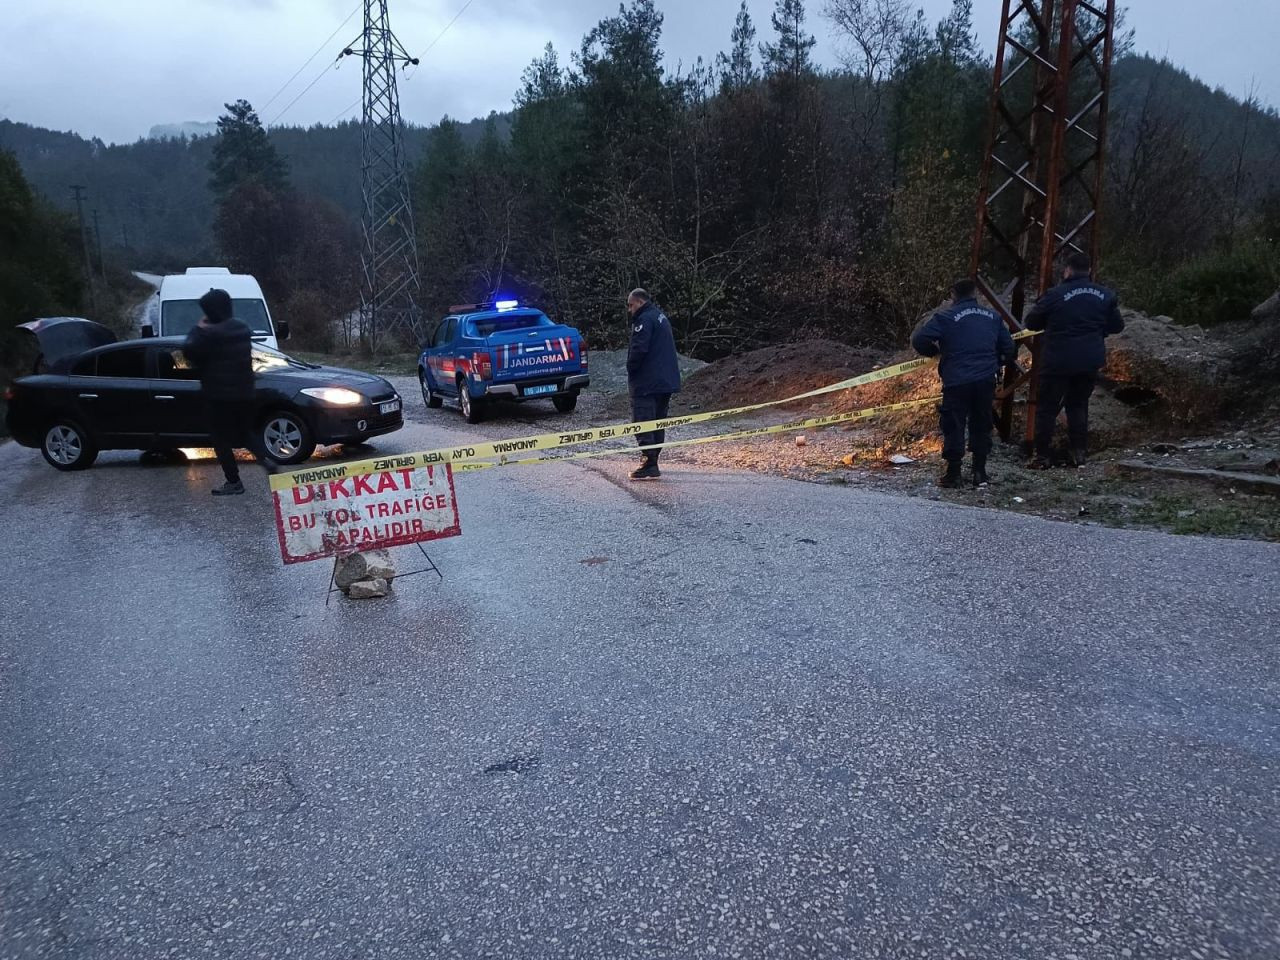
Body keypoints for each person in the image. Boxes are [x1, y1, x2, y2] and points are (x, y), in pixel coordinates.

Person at [912, 278, 1018, 489]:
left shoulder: (945, 316)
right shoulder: (993, 317)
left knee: (954, 424)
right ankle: (980, 472)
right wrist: (995, 361)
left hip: (957, 380)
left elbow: (919, 339)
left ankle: (954, 474)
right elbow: (1010, 350)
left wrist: (935, 352)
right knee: (982, 423)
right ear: (974, 294)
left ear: (953, 294)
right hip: (985, 380)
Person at [1025, 251, 1125, 468]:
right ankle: (1079, 453)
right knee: (1078, 405)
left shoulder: (1055, 294)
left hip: (1058, 359)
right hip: (1089, 359)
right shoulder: (1105, 295)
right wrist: (1097, 330)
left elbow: (1032, 322)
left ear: (1067, 270)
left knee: (1047, 408)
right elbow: (1118, 325)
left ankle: (1042, 456)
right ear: (1089, 270)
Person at [183, 288, 273, 495]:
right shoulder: (242, 328)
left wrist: (198, 327)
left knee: (220, 439)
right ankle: (267, 461)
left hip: (218, 397)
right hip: (245, 393)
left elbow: (190, 351)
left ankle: (233, 482)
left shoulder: (208, 334)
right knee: (245, 433)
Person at [625, 288, 682, 481]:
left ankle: (648, 462)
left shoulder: (644, 320)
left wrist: (631, 369)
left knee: (643, 421)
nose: (629, 310)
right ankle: (653, 460)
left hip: (647, 382)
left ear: (640, 302)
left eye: (631, 305)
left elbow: (639, 349)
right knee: (658, 423)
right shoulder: (660, 316)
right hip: (664, 381)